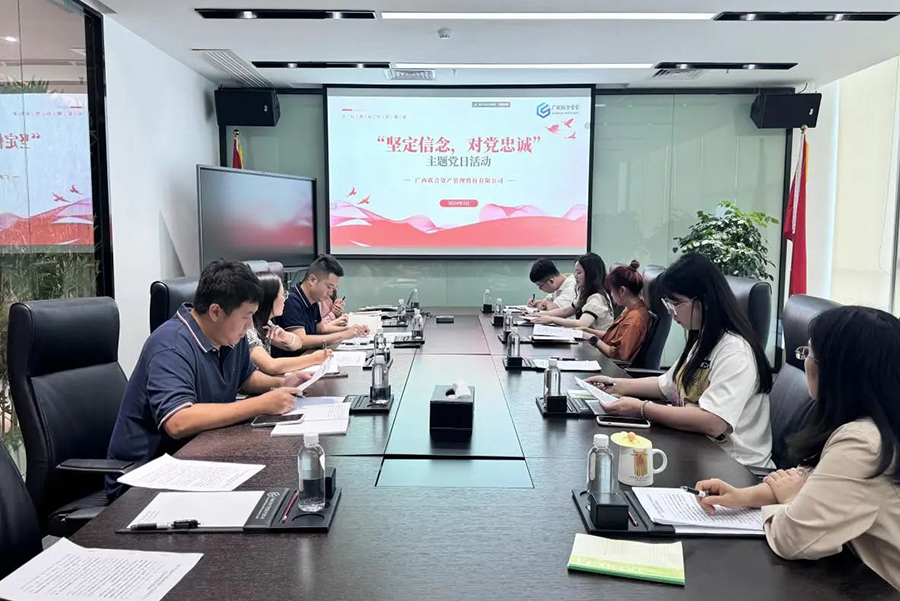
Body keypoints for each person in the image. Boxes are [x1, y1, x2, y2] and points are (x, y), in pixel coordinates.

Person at [693, 306, 900, 591]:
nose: (805, 363)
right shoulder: (875, 424)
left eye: (809, 353)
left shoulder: (863, 443)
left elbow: (792, 539)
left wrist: (789, 498)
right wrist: (743, 497)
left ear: (839, 370)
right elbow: (810, 475)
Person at [106, 260, 310, 499]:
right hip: (144, 477)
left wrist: (282, 383)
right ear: (215, 312)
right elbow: (178, 422)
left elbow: (245, 378)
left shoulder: (228, 335)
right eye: (246, 316)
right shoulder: (171, 346)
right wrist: (261, 404)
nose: (249, 326)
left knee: (279, 483)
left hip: (198, 458)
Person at [587, 252, 774, 468]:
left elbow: (713, 422)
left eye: (676, 303)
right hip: (699, 449)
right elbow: (666, 384)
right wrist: (614, 385)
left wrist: (642, 408)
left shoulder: (735, 352)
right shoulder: (704, 338)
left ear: (704, 301)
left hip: (735, 466)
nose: (672, 313)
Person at [248, 272, 332, 375]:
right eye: (283, 295)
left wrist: (286, 337)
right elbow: (271, 366)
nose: (285, 299)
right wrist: (314, 358)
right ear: (269, 299)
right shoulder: (248, 329)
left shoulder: (267, 324)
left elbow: (298, 344)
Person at [277, 254, 367, 349]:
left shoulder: (314, 299)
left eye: (333, 288)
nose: (330, 293)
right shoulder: (291, 300)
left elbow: (320, 328)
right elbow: (301, 340)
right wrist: (342, 335)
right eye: (329, 287)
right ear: (312, 280)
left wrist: (350, 329)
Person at [580, 260, 652, 362]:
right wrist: (585, 331)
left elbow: (618, 356)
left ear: (622, 291)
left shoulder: (635, 319)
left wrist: (592, 339)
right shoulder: (630, 309)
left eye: (611, 291)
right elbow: (613, 337)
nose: (611, 295)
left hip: (613, 367)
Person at [530, 253, 614, 331]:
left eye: (579, 272)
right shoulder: (584, 294)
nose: (575, 276)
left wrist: (551, 319)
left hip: (596, 341)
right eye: (575, 272)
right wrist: (538, 314)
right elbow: (566, 311)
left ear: (591, 274)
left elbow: (582, 324)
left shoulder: (597, 298)